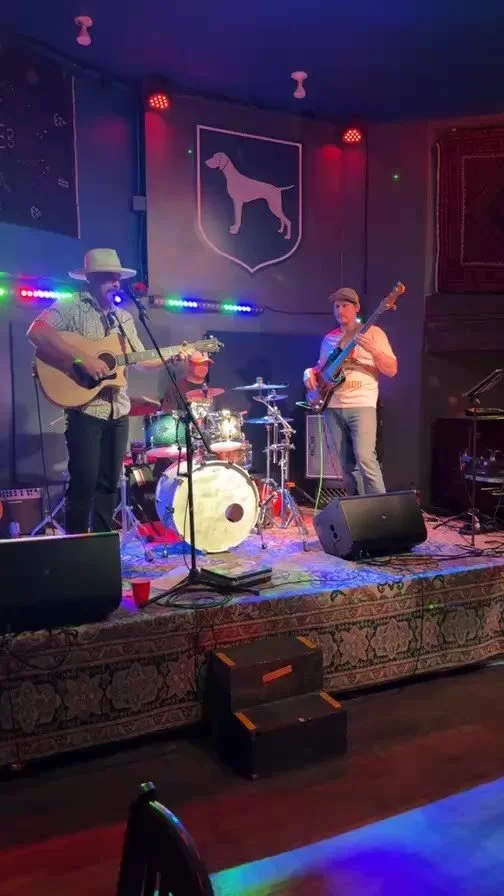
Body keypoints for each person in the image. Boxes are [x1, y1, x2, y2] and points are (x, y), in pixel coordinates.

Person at [27, 248, 176, 534]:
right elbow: (37, 331)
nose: (115, 283)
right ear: (90, 279)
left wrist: (173, 355)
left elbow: (141, 361)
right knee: (83, 483)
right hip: (86, 411)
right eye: (108, 278)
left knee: (109, 484)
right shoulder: (71, 307)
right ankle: (76, 545)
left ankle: (104, 542)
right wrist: (82, 358)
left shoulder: (124, 318)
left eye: (117, 278)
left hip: (118, 411)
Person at [303, 287, 397, 495]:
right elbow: (321, 368)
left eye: (345, 305)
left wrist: (372, 350)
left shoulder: (374, 333)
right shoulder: (329, 338)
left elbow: (392, 369)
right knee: (346, 466)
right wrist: (308, 372)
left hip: (362, 404)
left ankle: (383, 508)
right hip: (332, 406)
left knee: (365, 458)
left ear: (356, 308)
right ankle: (356, 508)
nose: (340, 310)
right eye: (337, 306)